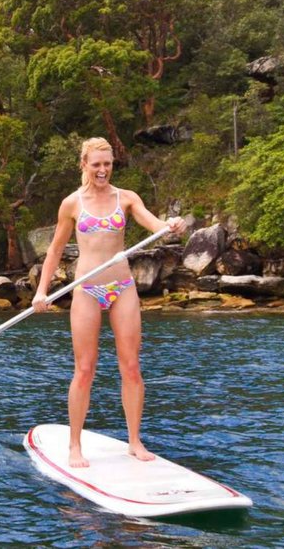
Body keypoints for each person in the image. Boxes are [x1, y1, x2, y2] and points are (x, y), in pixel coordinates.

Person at [32, 137, 185, 468]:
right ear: (84, 165)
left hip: (122, 287)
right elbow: (55, 250)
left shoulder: (126, 198)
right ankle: (75, 445)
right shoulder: (71, 204)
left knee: (131, 367)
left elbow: (154, 224)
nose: (102, 170)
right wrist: (41, 291)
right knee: (85, 369)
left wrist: (170, 226)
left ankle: (134, 441)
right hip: (86, 289)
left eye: (108, 163)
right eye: (96, 164)